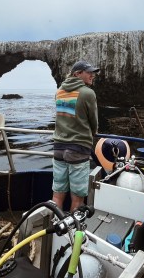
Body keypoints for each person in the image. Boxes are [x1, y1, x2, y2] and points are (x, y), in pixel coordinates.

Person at [52, 60, 99, 212]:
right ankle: (72, 233)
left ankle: (55, 225)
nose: (93, 75)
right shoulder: (87, 93)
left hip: (58, 148)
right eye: (89, 72)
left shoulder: (59, 91)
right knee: (78, 199)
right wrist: (93, 134)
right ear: (77, 74)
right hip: (78, 149)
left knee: (57, 195)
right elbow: (94, 121)